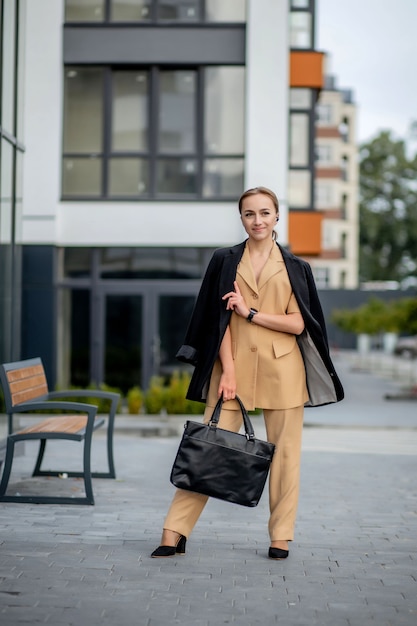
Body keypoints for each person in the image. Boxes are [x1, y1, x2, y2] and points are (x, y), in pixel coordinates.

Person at [151, 186, 344, 560]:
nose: (257, 220)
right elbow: (215, 320)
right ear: (241, 218)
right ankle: (173, 531)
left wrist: (251, 313)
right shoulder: (224, 260)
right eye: (249, 213)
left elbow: (299, 324)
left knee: (286, 458)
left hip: (284, 370)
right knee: (207, 450)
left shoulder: (296, 267)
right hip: (232, 369)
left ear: (276, 217)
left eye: (265, 213)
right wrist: (227, 370)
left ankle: (280, 537)